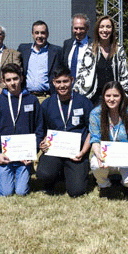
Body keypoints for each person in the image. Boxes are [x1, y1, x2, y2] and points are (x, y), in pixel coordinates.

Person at [0, 63, 43, 196]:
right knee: (6, 193)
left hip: (24, 157)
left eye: (15, 78)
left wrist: (32, 152)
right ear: (3, 82)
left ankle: (24, 176)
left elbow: (39, 129)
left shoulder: (32, 100)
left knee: (21, 192)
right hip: (4, 157)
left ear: (22, 78)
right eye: (8, 80)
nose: (12, 83)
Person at [37, 66, 93, 197]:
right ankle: (53, 179)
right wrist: (42, 143)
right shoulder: (46, 104)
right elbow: (42, 130)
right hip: (54, 151)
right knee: (43, 173)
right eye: (58, 82)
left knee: (76, 191)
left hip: (76, 153)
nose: (62, 85)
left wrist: (83, 152)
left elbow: (92, 131)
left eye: (65, 81)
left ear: (72, 80)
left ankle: (71, 173)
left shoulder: (84, 103)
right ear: (53, 83)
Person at [89, 81, 128, 194]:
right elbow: (95, 140)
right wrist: (99, 156)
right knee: (95, 163)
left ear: (122, 96)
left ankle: (125, 184)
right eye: (108, 95)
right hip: (106, 156)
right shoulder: (96, 113)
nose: (111, 99)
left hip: (125, 156)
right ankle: (104, 185)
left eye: (116, 95)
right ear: (103, 97)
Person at [74, 16, 128, 105]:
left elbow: (124, 76)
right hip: (95, 98)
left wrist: (126, 97)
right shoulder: (90, 50)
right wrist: (75, 91)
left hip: (114, 98)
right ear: (97, 30)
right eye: (101, 27)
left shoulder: (119, 50)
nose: (105, 30)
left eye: (108, 27)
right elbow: (82, 75)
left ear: (112, 30)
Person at [18, 20, 64, 102]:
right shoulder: (23, 49)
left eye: (43, 33)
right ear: (32, 34)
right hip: (27, 97)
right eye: (37, 33)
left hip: (47, 97)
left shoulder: (56, 51)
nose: (40, 36)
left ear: (47, 34)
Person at [62, 14, 93, 79]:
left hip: (86, 86)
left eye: (81, 28)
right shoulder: (67, 44)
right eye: (76, 28)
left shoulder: (93, 44)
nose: (78, 31)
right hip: (69, 86)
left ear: (87, 28)